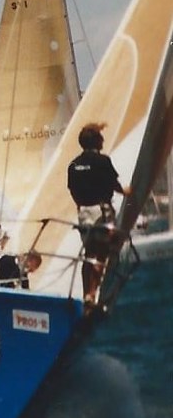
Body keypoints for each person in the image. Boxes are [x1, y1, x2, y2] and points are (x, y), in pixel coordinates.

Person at [66, 122, 132, 308]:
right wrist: (127, 191)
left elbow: (72, 191)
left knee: (89, 253)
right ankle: (94, 294)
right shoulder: (103, 161)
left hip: (84, 213)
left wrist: (81, 205)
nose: (103, 140)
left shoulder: (74, 165)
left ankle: (88, 293)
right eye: (101, 137)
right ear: (96, 141)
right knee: (101, 253)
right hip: (101, 211)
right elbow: (116, 185)